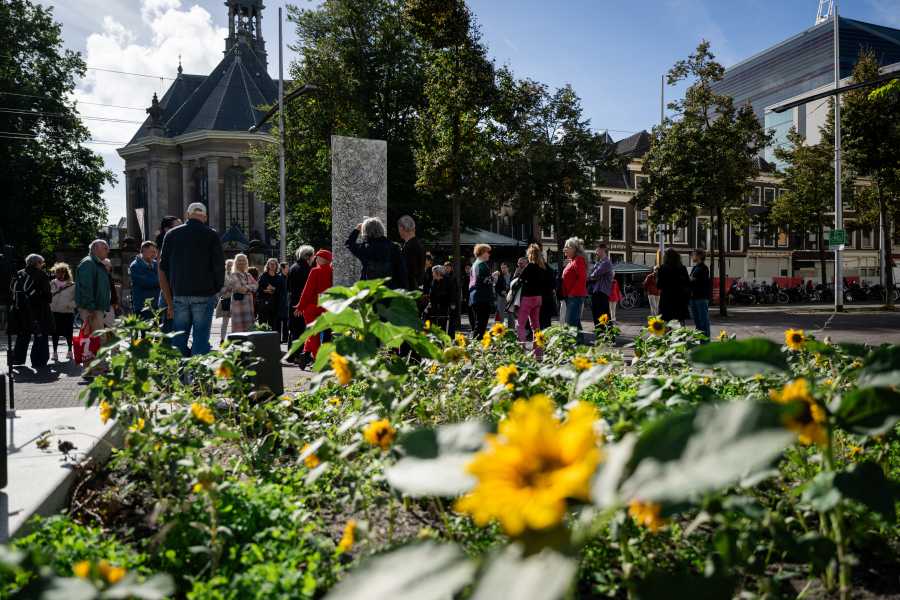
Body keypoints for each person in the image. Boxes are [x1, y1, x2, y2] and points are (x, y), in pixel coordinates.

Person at [158, 202, 225, 357]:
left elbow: (162, 269)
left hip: (179, 294)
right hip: (204, 293)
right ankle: (196, 377)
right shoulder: (211, 235)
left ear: (187, 215)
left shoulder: (171, 234)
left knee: (179, 339)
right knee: (200, 339)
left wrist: (169, 301)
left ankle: (181, 378)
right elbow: (219, 267)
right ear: (205, 217)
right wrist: (214, 290)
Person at [10, 254, 52, 369]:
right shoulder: (41, 274)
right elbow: (47, 295)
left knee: (23, 335)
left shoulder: (19, 273)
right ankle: (38, 360)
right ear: (37, 263)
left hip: (20, 310)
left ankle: (17, 358)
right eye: (41, 263)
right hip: (38, 310)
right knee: (40, 335)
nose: (42, 265)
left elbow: (12, 290)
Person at [294, 249, 333, 367]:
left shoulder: (315, 271)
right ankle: (306, 354)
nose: (316, 259)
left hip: (311, 308)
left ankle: (315, 358)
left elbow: (307, 291)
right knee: (318, 334)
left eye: (317, 257)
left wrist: (300, 306)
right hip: (326, 307)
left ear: (322, 259)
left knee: (312, 334)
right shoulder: (332, 272)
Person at [346, 217, 407, 289]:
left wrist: (357, 229)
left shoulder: (364, 248)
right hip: (390, 289)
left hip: (370, 290)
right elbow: (402, 271)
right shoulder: (394, 247)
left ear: (365, 232)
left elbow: (349, 244)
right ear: (381, 229)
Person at [516, 244, 552, 358]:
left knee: (520, 324)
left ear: (530, 254)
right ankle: (538, 353)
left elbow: (520, 280)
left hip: (528, 298)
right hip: (538, 299)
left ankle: (522, 352)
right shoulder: (542, 267)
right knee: (536, 326)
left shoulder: (530, 266)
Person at [75, 239, 112, 337]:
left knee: (98, 339)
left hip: (96, 307)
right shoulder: (89, 263)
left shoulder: (96, 263)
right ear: (95, 248)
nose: (108, 251)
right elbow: (86, 287)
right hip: (92, 309)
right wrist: (90, 307)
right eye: (105, 248)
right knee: (98, 340)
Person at [561, 237, 588, 342]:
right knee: (575, 322)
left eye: (566, 247)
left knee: (570, 323)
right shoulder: (572, 261)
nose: (564, 249)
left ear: (574, 249)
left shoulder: (578, 260)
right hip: (571, 297)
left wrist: (572, 294)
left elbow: (582, 279)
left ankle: (573, 346)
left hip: (575, 296)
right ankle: (580, 345)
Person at [288, 246, 314, 348]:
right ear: (308, 256)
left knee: (294, 329)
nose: (313, 258)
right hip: (302, 303)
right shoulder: (306, 269)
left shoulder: (293, 267)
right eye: (312, 255)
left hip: (293, 301)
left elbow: (288, 287)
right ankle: (298, 356)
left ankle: (292, 355)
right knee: (300, 330)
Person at [49, 262, 76, 361]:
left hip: (67, 312)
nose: (58, 274)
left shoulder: (72, 285)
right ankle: (55, 352)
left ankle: (70, 351)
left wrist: (70, 305)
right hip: (54, 312)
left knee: (68, 333)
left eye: (61, 272)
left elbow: (77, 299)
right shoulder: (52, 283)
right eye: (57, 272)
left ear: (65, 273)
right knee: (54, 333)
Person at [657, 248, 691, 324]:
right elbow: (688, 283)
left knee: (667, 322)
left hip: (667, 299)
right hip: (680, 299)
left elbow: (659, 285)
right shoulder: (682, 268)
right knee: (680, 322)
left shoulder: (663, 268)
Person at [225, 254, 257, 334]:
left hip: (249, 308)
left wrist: (246, 287)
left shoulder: (248, 275)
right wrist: (250, 287)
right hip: (238, 308)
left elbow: (256, 286)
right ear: (236, 262)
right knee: (238, 332)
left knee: (250, 331)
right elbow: (240, 289)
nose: (241, 262)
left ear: (246, 262)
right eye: (239, 260)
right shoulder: (233, 275)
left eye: (243, 260)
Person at [468, 244, 494, 338]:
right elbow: (485, 280)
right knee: (481, 324)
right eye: (488, 252)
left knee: (479, 323)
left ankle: (475, 345)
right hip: (482, 297)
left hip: (475, 297)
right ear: (482, 253)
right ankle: (476, 345)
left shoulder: (475, 264)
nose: (489, 254)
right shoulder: (482, 265)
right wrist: (493, 277)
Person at [129, 241, 160, 319]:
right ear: (144, 251)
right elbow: (147, 282)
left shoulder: (156, 264)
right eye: (152, 252)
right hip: (143, 305)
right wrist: (162, 281)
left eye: (155, 252)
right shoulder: (135, 266)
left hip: (157, 304)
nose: (154, 254)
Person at [256, 258, 285, 333]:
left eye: (274, 264)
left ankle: (274, 343)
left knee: (274, 326)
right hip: (264, 305)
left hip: (275, 305)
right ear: (268, 265)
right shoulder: (263, 276)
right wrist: (265, 290)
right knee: (263, 326)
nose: (272, 265)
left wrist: (274, 289)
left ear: (276, 266)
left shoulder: (279, 277)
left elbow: (283, 291)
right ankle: (262, 343)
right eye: (270, 264)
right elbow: (258, 289)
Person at [398, 215, 425, 291]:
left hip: (410, 289)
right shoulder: (418, 244)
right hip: (415, 286)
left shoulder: (410, 246)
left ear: (402, 228)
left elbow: (409, 270)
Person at [588, 244, 613, 325]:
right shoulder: (600, 262)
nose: (596, 252)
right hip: (597, 291)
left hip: (602, 292)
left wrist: (592, 276)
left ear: (602, 250)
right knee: (597, 314)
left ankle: (607, 335)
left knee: (602, 314)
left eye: (597, 250)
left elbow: (594, 274)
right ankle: (601, 333)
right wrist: (592, 275)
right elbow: (592, 273)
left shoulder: (606, 262)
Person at [689, 249, 712, 339]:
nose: (692, 256)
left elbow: (693, 280)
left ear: (699, 256)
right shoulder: (695, 268)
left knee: (703, 321)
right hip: (693, 297)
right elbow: (691, 280)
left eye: (693, 254)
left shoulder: (703, 268)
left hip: (701, 298)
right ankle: (700, 340)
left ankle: (705, 341)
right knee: (697, 321)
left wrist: (691, 279)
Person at [424, 265, 451, 332]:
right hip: (434, 305)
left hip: (444, 305)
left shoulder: (447, 281)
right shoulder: (433, 281)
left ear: (438, 273)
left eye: (433, 272)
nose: (432, 274)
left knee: (442, 324)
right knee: (427, 317)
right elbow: (431, 294)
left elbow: (450, 294)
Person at [216, 259, 235, 342]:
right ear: (225, 265)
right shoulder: (222, 275)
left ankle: (234, 339)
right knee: (225, 321)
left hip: (235, 300)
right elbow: (218, 288)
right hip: (226, 299)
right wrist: (226, 289)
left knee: (235, 321)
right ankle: (222, 339)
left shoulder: (235, 274)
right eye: (228, 265)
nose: (230, 266)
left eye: (231, 265)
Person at [443, 261, 460, 336]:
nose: (447, 268)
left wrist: (454, 301)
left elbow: (455, 290)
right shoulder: (443, 276)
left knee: (452, 318)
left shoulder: (453, 277)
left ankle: (451, 334)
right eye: (445, 267)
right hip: (445, 299)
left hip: (452, 300)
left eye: (448, 267)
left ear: (451, 268)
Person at [494, 262, 513, 328]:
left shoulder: (512, 276)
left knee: (511, 313)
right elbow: (496, 287)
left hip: (510, 297)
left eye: (504, 268)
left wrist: (509, 292)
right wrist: (501, 292)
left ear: (508, 268)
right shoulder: (499, 276)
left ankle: (511, 329)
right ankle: (499, 329)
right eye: (502, 268)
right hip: (501, 297)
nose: (503, 269)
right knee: (500, 313)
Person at [102, 258, 119, 326]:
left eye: (108, 265)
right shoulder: (100, 276)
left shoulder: (109, 276)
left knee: (110, 324)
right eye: (105, 265)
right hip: (102, 304)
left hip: (110, 304)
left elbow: (112, 290)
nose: (107, 267)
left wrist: (115, 302)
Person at [279, 262, 291, 343]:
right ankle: (279, 338)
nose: (288, 269)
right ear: (283, 268)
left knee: (286, 320)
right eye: (287, 267)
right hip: (281, 302)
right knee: (280, 321)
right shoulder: (279, 277)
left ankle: (285, 338)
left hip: (287, 302)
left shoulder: (288, 277)